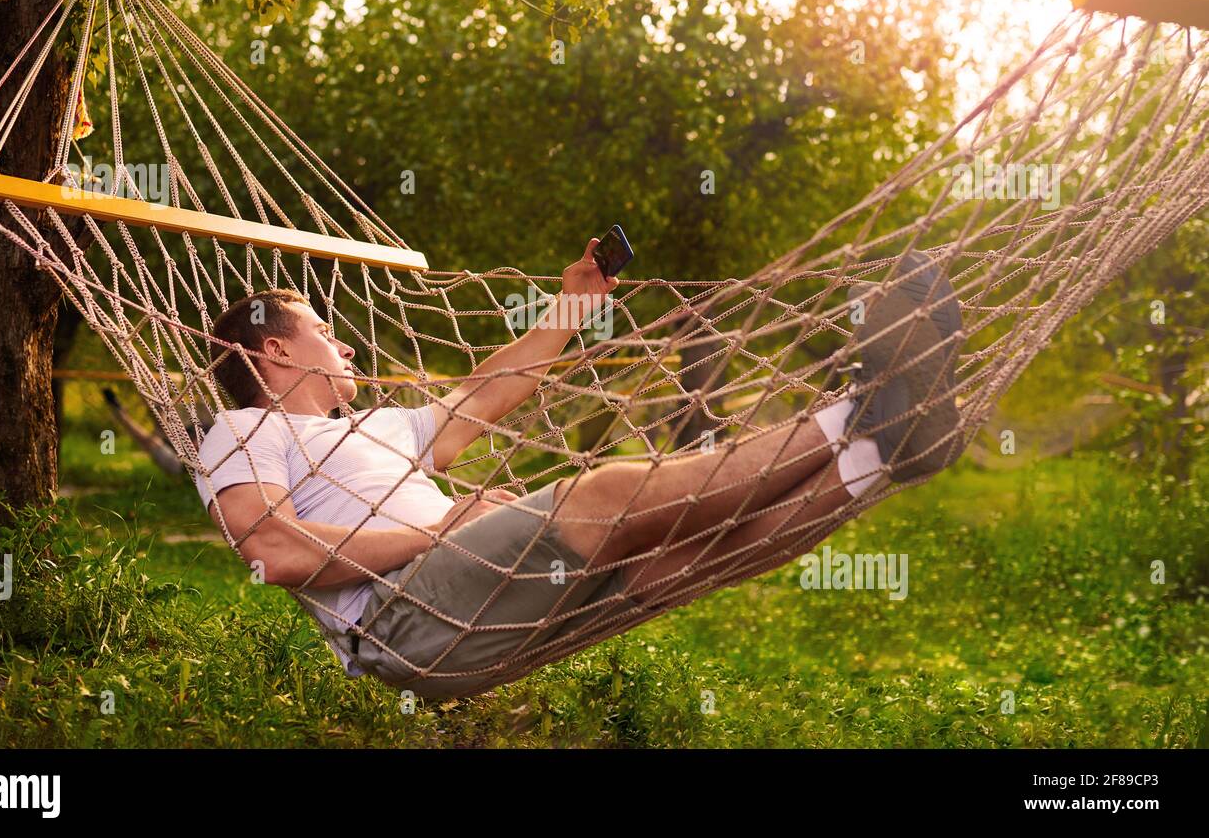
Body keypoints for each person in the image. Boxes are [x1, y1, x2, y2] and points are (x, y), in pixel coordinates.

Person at [195, 241, 963, 700]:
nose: (350, 348)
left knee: (684, 559)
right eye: (327, 334)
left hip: (475, 611)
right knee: (602, 492)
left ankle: (881, 455)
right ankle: (865, 412)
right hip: (404, 623)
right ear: (277, 349)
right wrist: (440, 530)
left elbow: (488, 391)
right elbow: (274, 553)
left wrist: (570, 305)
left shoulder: (377, 426)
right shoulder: (242, 428)